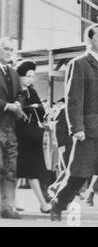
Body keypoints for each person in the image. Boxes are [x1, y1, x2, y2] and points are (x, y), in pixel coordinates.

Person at [50, 24, 98, 223]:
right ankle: (58, 204)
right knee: (79, 174)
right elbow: (73, 98)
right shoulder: (79, 64)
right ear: (89, 40)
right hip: (90, 131)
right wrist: (76, 128)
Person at [14, 60, 52, 214]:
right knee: (27, 170)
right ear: (20, 76)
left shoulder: (32, 91)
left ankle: (13, 200)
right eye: (27, 76)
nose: (30, 79)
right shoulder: (16, 92)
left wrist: (42, 114)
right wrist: (30, 108)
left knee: (24, 170)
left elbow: (41, 111)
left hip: (33, 134)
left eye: (32, 76)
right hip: (21, 134)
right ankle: (42, 203)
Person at [0, 38, 26, 220]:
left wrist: (18, 103)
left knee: (10, 169)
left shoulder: (14, 73)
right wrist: (6, 106)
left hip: (10, 128)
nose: (9, 52)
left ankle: (7, 207)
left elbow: (21, 93)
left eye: (11, 50)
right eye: (6, 49)